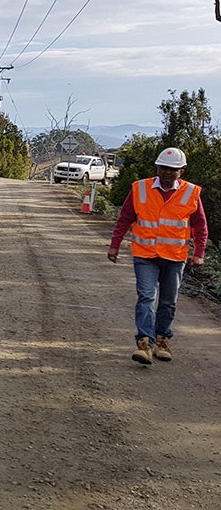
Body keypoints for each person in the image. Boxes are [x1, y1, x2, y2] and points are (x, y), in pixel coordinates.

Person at [107, 147, 207, 365]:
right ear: (157, 168)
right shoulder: (140, 188)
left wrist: (199, 253)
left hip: (175, 257)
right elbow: (124, 218)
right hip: (145, 255)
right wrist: (114, 245)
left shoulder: (191, 192)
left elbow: (200, 226)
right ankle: (144, 344)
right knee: (146, 296)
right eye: (163, 168)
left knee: (168, 302)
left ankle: (162, 340)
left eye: (172, 169)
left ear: (181, 171)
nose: (167, 172)